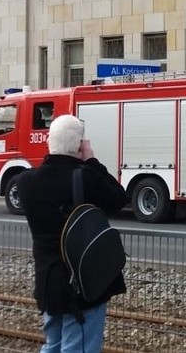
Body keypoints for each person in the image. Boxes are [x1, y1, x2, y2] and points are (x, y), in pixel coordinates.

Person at [19, 114, 127, 353]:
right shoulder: (85, 178)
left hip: (48, 283)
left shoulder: (25, 182)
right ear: (79, 145)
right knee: (78, 348)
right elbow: (119, 197)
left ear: (49, 140)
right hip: (82, 285)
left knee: (53, 345)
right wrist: (92, 160)